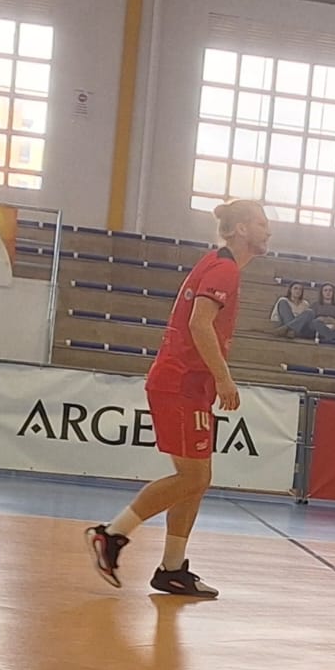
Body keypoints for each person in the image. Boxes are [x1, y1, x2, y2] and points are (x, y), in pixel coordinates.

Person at [86, 199, 269, 599]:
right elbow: (199, 323)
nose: (268, 230)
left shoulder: (219, 264)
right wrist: (224, 378)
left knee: (196, 481)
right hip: (181, 383)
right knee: (193, 477)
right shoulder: (223, 269)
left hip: (188, 385)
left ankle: (172, 569)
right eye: (261, 223)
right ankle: (111, 535)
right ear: (241, 229)